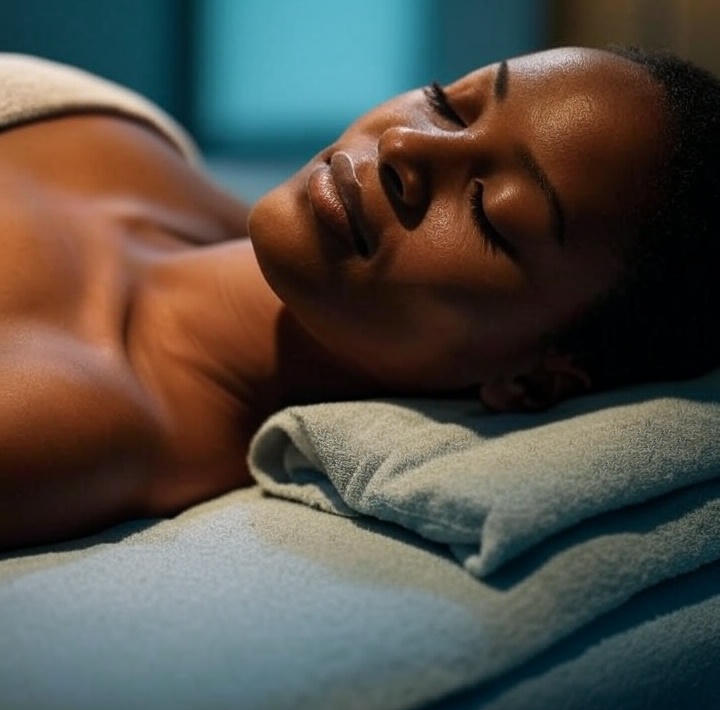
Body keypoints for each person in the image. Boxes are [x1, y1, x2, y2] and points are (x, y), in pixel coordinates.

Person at [1, 45, 717, 551]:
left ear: (534, 378)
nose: (406, 146)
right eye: (450, 104)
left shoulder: (62, 415)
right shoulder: (133, 134)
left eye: (492, 213)